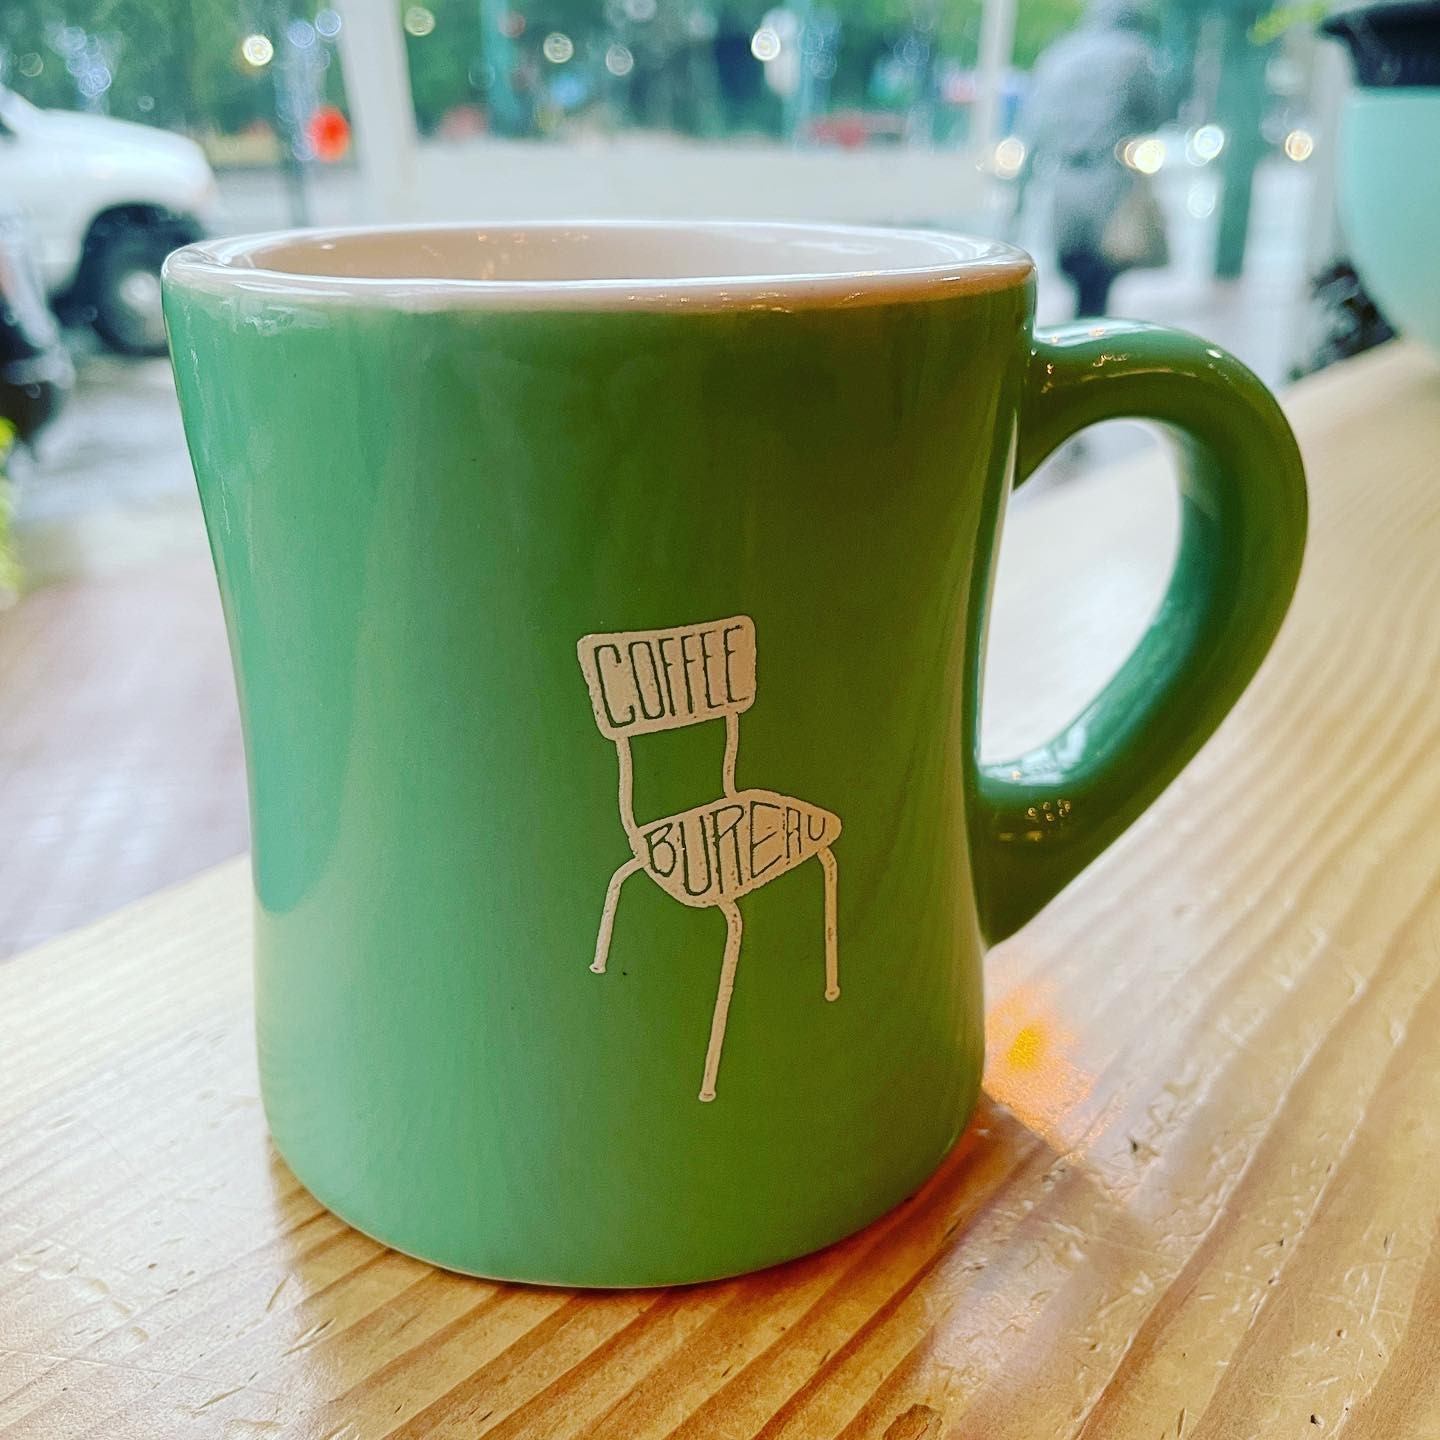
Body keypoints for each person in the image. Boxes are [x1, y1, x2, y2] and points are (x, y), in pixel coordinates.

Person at [1017, 0, 1166, 317]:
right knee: (1102, 270)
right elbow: (1153, 113)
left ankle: (1079, 335)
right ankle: (1090, 344)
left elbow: (1035, 122)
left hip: (1062, 175)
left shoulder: (1060, 54)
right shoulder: (1134, 53)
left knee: (1072, 262)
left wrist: (1022, 189)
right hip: (1108, 173)